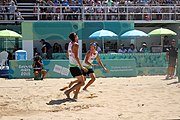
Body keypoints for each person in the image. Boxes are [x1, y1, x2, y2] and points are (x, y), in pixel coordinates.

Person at [64, 32, 88, 99]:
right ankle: (68, 92)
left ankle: (75, 95)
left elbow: (67, 54)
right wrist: (82, 67)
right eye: (77, 36)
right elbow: (76, 57)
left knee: (82, 80)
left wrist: (71, 59)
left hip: (72, 65)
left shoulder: (70, 43)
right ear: (75, 37)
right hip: (74, 66)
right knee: (82, 83)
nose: (78, 37)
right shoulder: (76, 45)